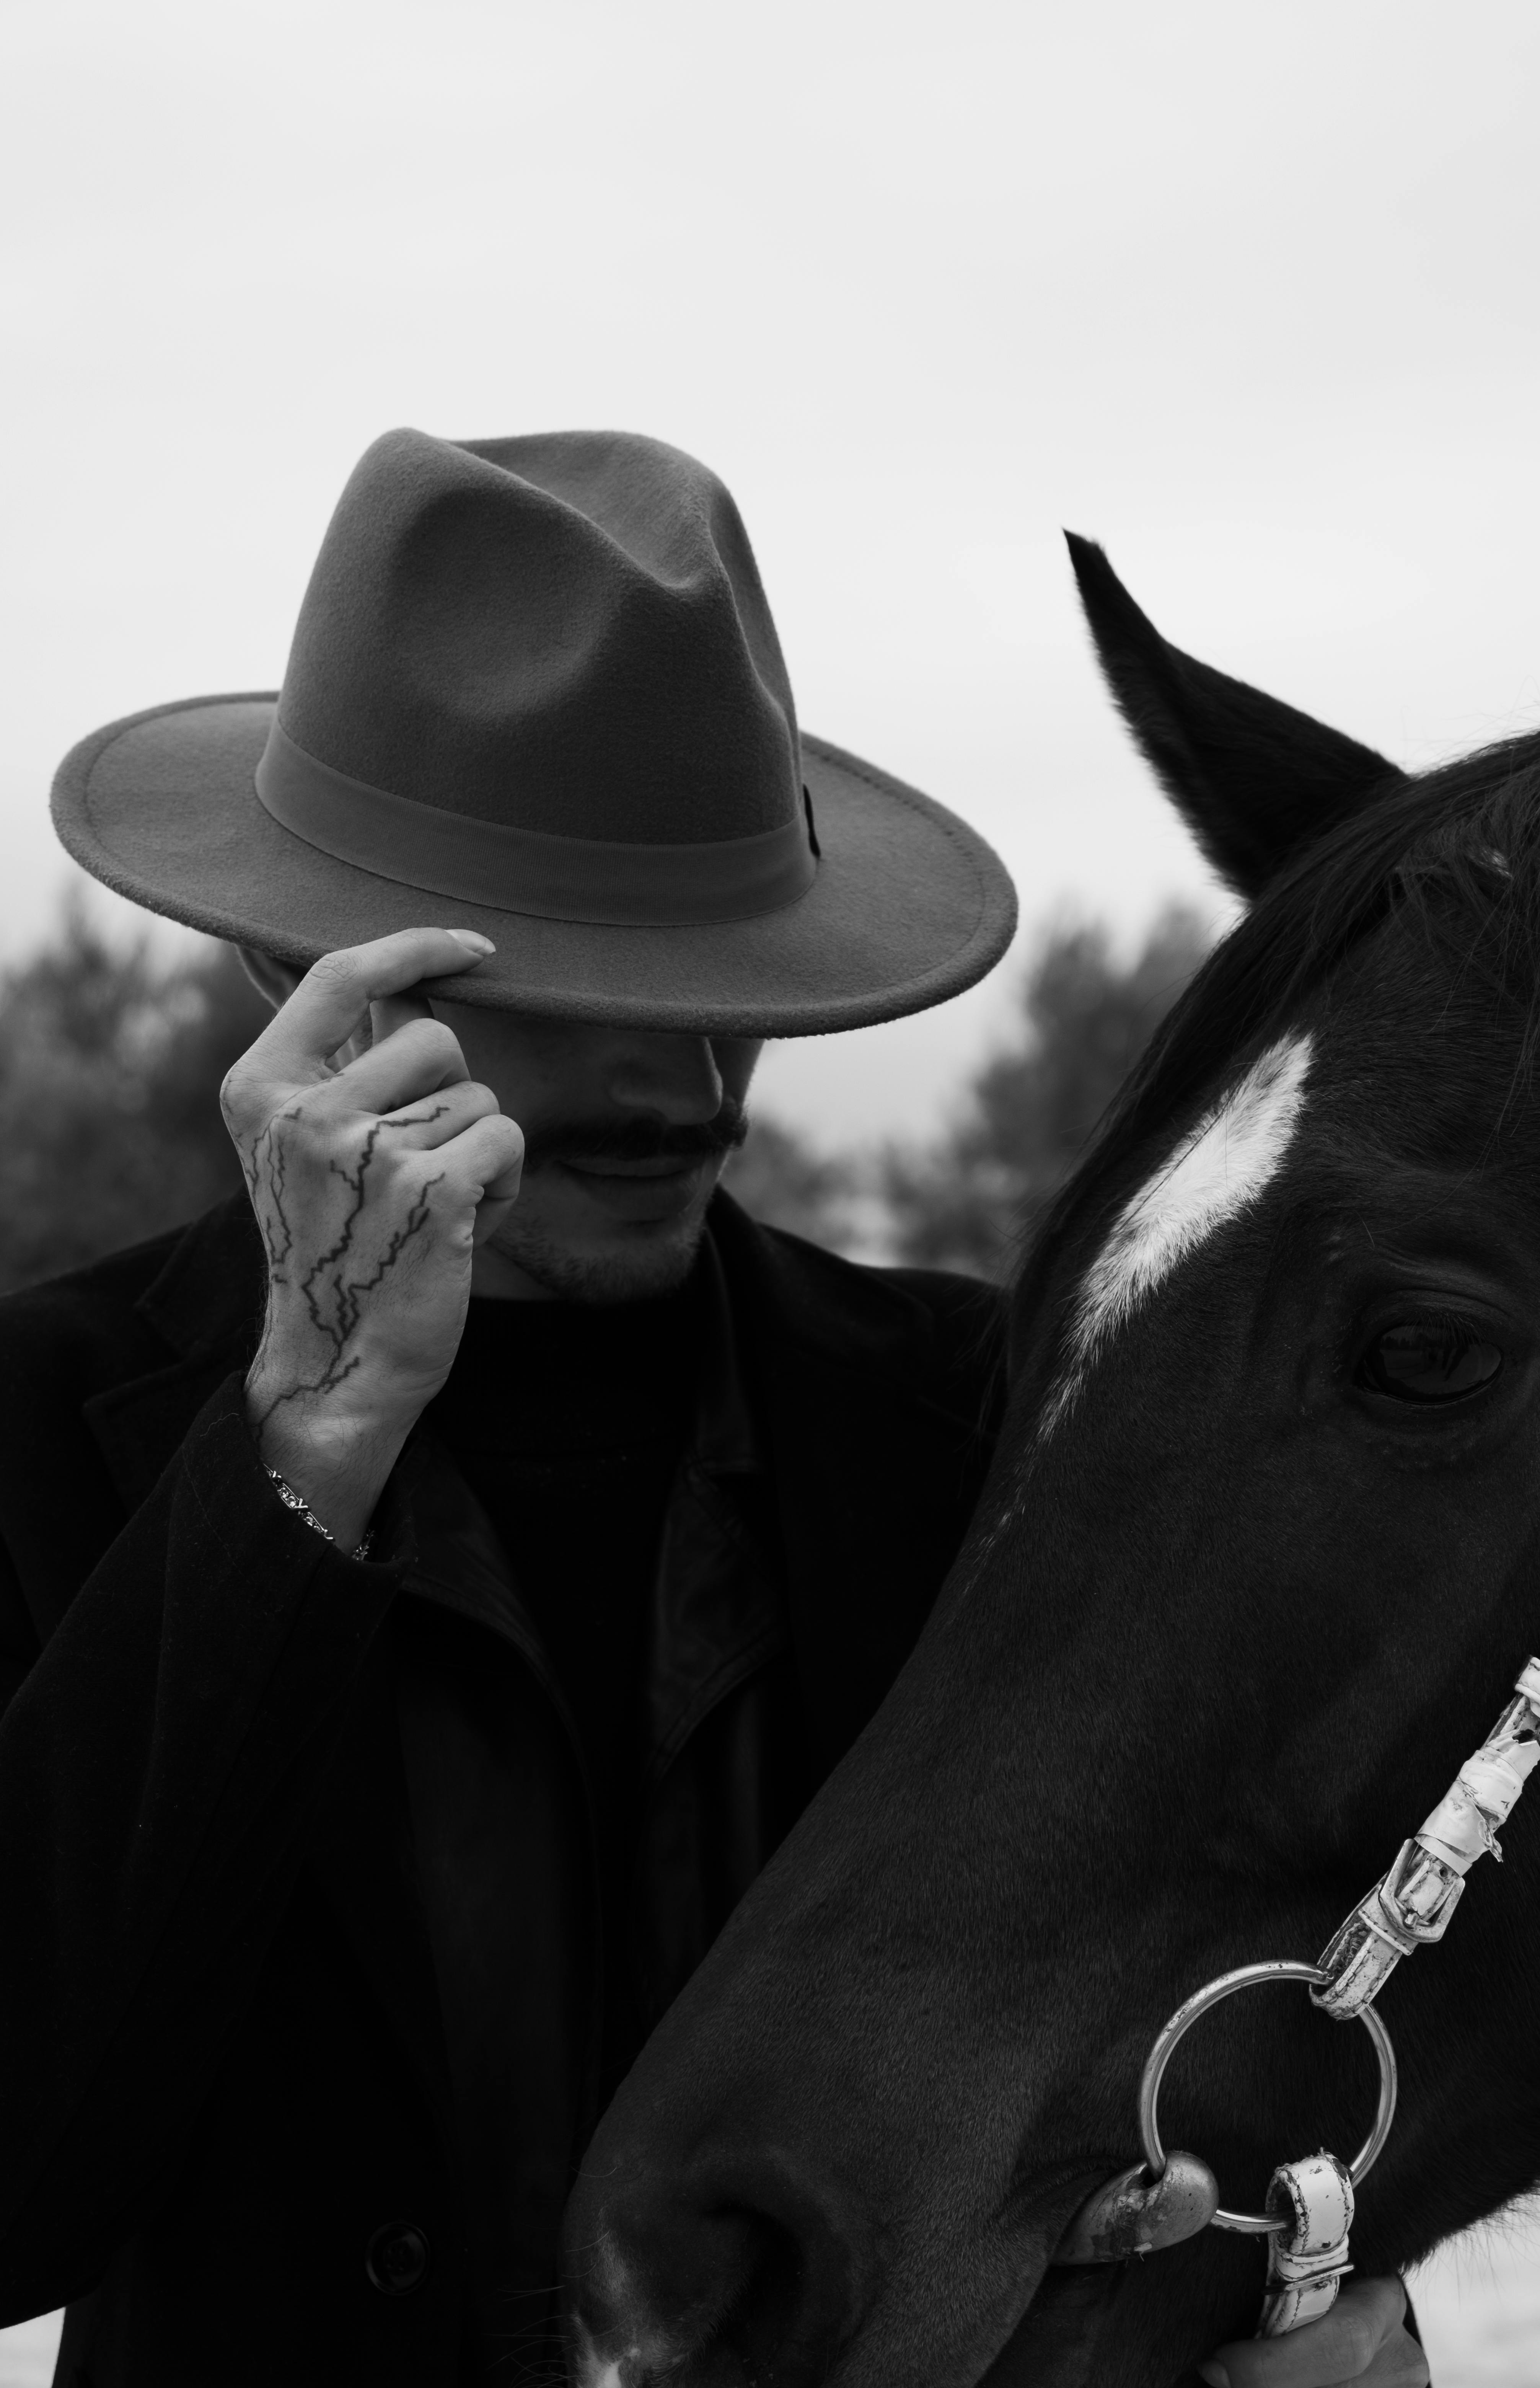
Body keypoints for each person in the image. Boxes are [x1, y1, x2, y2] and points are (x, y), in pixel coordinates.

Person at [0, 427, 1421, 2388]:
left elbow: (1255, 2034)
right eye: (567, 977)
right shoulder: (45, 1425)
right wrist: (296, 1460)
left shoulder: (993, 1422)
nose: (684, 1086)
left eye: (731, 975)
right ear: (294, 970)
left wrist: (1315, 2302)